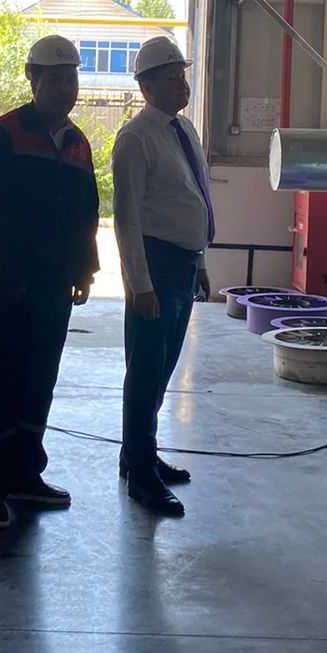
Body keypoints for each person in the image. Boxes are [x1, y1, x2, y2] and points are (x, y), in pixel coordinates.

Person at [0, 35, 100, 529]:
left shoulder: (77, 143)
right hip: (5, 289)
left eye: (72, 78)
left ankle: (24, 475)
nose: (66, 88)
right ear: (32, 78)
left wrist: (84, 269)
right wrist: (2, 277)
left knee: (39, 380)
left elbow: (87, 213)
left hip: (53, 289)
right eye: (56, 78)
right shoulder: (1, 136)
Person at [112, 36, 213, 517]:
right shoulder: (136, 138)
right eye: (172, 77)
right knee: (145, 369)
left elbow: (196, 197)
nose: (182, 84)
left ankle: (140, 455)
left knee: (165, 365)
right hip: (155, 265)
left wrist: (202, 262)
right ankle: (141, 476)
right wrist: (139, 284)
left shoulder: (184, 130)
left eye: (182, 75)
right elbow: (126, 217)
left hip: (184, 264)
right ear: (147, 86)